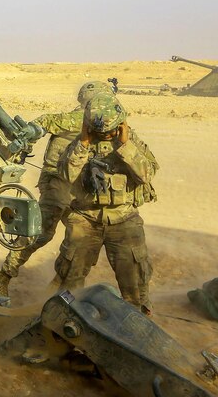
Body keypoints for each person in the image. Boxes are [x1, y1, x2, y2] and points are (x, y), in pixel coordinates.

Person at [0, 80, 111, 300]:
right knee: (41, 233)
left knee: (81, 237)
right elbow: (47, 121)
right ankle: (2, 277)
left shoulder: (103, 121)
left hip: (81, 188)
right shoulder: (78, 118)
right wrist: (32, 131)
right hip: (58, 182)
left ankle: (60, 284)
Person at [54, 92, 158, 314]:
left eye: (110, 131)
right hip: (85, 218)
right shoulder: (80, 142)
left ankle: (138, 325)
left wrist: (124, 146)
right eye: (101, 131)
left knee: (135, 284)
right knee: (70, 278)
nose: (105, 135)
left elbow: (147, 174)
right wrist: (82, 144)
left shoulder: (131, 142)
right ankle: (64, 319)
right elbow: (65, 174)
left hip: (123, 218)